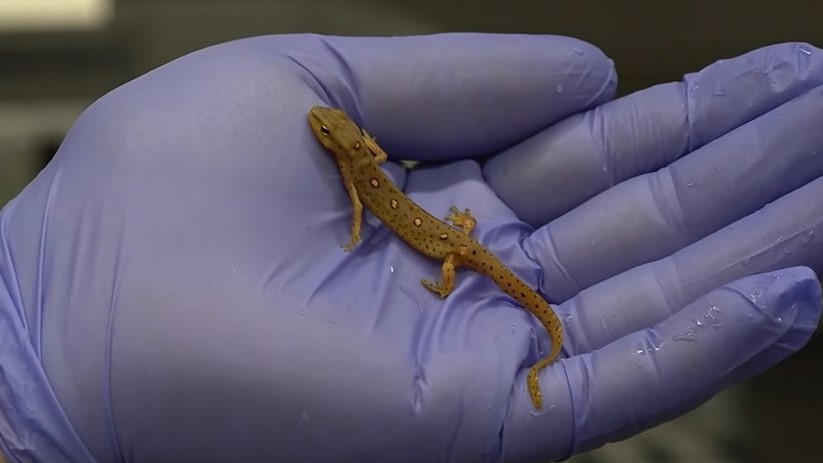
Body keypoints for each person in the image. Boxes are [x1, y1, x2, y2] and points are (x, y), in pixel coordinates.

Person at [0, 33, 819, 463]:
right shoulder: (364, 168)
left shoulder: (368, 183)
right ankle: (536, 337)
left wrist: (438, 261)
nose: (323, 132)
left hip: (461, 252)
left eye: (329, 130)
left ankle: (541, 345)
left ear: (348, 145)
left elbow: (365, 216)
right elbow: (367, 200)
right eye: (326, 132)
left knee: (516, 293)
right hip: (453, 243)